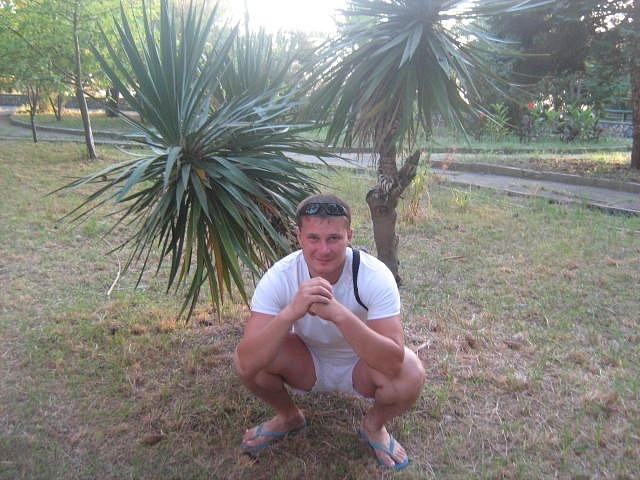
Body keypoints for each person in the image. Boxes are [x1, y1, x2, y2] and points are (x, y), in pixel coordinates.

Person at [234, 193, 425, 470]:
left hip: (362, 365)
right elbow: (245, 362)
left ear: (349, 236)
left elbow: (393, 363)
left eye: (334, 238)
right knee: (257, 357)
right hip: (306, 361)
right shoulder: (281, 276)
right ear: (299, 237)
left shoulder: (374, 275)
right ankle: (289, 417)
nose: (323, 249)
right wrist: (291, 311)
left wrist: (339, 314)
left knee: (411, 371)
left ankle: (373, 427)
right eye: (313, 238)